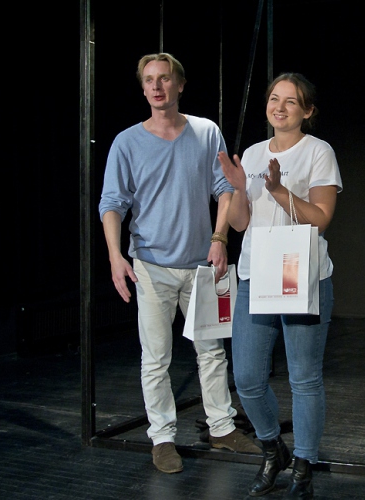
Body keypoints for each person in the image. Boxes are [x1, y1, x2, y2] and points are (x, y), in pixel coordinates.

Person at [98, 52, 258, 474]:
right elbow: (112, 203)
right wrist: (114, 256)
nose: (157, 86)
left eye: (165, 78)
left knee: (212, 351)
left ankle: (221, 427)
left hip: (203, 265)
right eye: (149, 79)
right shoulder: (127, 142)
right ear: (143, 87)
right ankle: (162, 437)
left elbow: (225, 188)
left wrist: (220, 238)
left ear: (180, 85)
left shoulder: (206, 132)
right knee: (156, 357)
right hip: (151, 266)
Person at [218, 72, 342, 499]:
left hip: (300, 273)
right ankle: (273, 449)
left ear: (307, 110)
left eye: (291, 101)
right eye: (274, 98)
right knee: (247, 377)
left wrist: (277, 189)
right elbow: (241, 223)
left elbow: (321, 219)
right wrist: (239, 189)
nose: (280, 107)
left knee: (303, 378)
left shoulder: (318, 151)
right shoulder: (253, 153)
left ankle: (303, 467)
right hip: (256, 274)